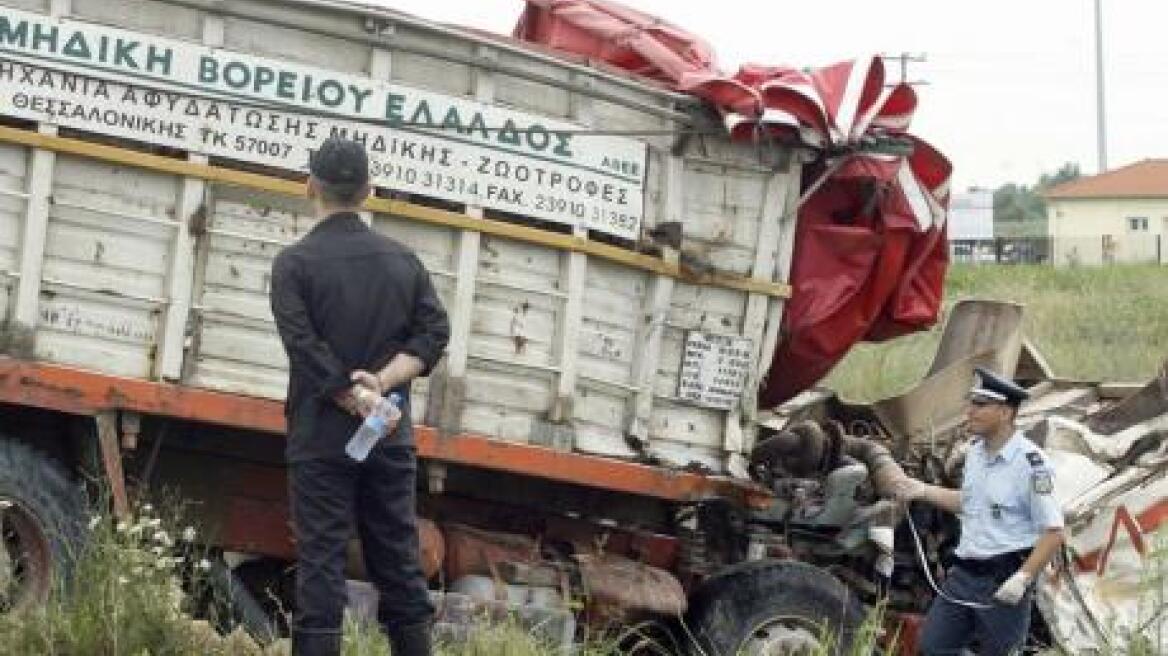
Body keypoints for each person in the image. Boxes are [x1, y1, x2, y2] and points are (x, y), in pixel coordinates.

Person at [270, 136, 450, 656]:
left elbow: (302, 345)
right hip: (389, 437)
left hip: (320, 438)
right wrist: (382, 384)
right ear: (369, 191)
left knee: (321, 565)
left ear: (311, 187)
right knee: (398, 561)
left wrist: (351, 393)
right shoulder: (404, 263)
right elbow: (434, 334)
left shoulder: (294, 265)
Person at [895, 367, 1064, 656]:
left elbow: (1053, 532)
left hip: (1003, 579)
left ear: (1006, 412)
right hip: (964, 575)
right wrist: (921, 490)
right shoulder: (975, 453)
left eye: (981, 405)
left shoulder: (1032, 465)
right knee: (933, 646)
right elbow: (969, 503)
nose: (970, 411)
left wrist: (1021, 580)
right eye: (971, 402)